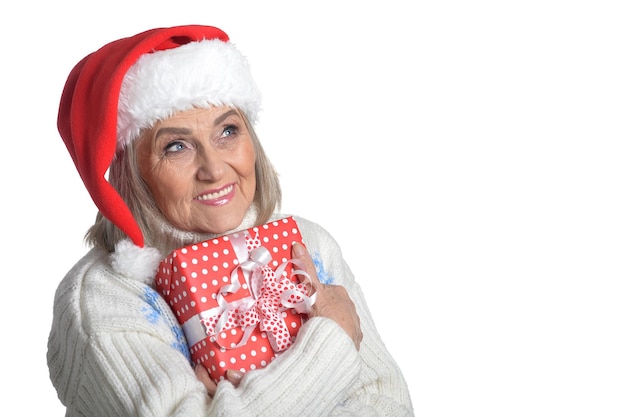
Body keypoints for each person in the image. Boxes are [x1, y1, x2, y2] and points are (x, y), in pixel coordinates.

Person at [47, 24, 414, 416]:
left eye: (227, 131)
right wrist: (333, 342)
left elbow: (389, 403)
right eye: (176, 146)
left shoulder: (309, 242)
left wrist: (234, 404)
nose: (215, 169)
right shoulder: (105, 296)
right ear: (129, 174)